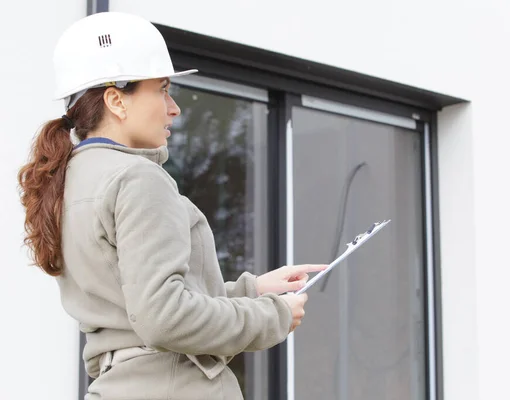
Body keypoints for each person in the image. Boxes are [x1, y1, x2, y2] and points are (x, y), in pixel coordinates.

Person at [17, 11, 325, 400]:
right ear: (116, 100)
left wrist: (254, 289)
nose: (173, 107)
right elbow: (165, 318)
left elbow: (140, 308)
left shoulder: (68, 179)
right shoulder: (137, 177)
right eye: (161, 89)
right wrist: (273, 316)